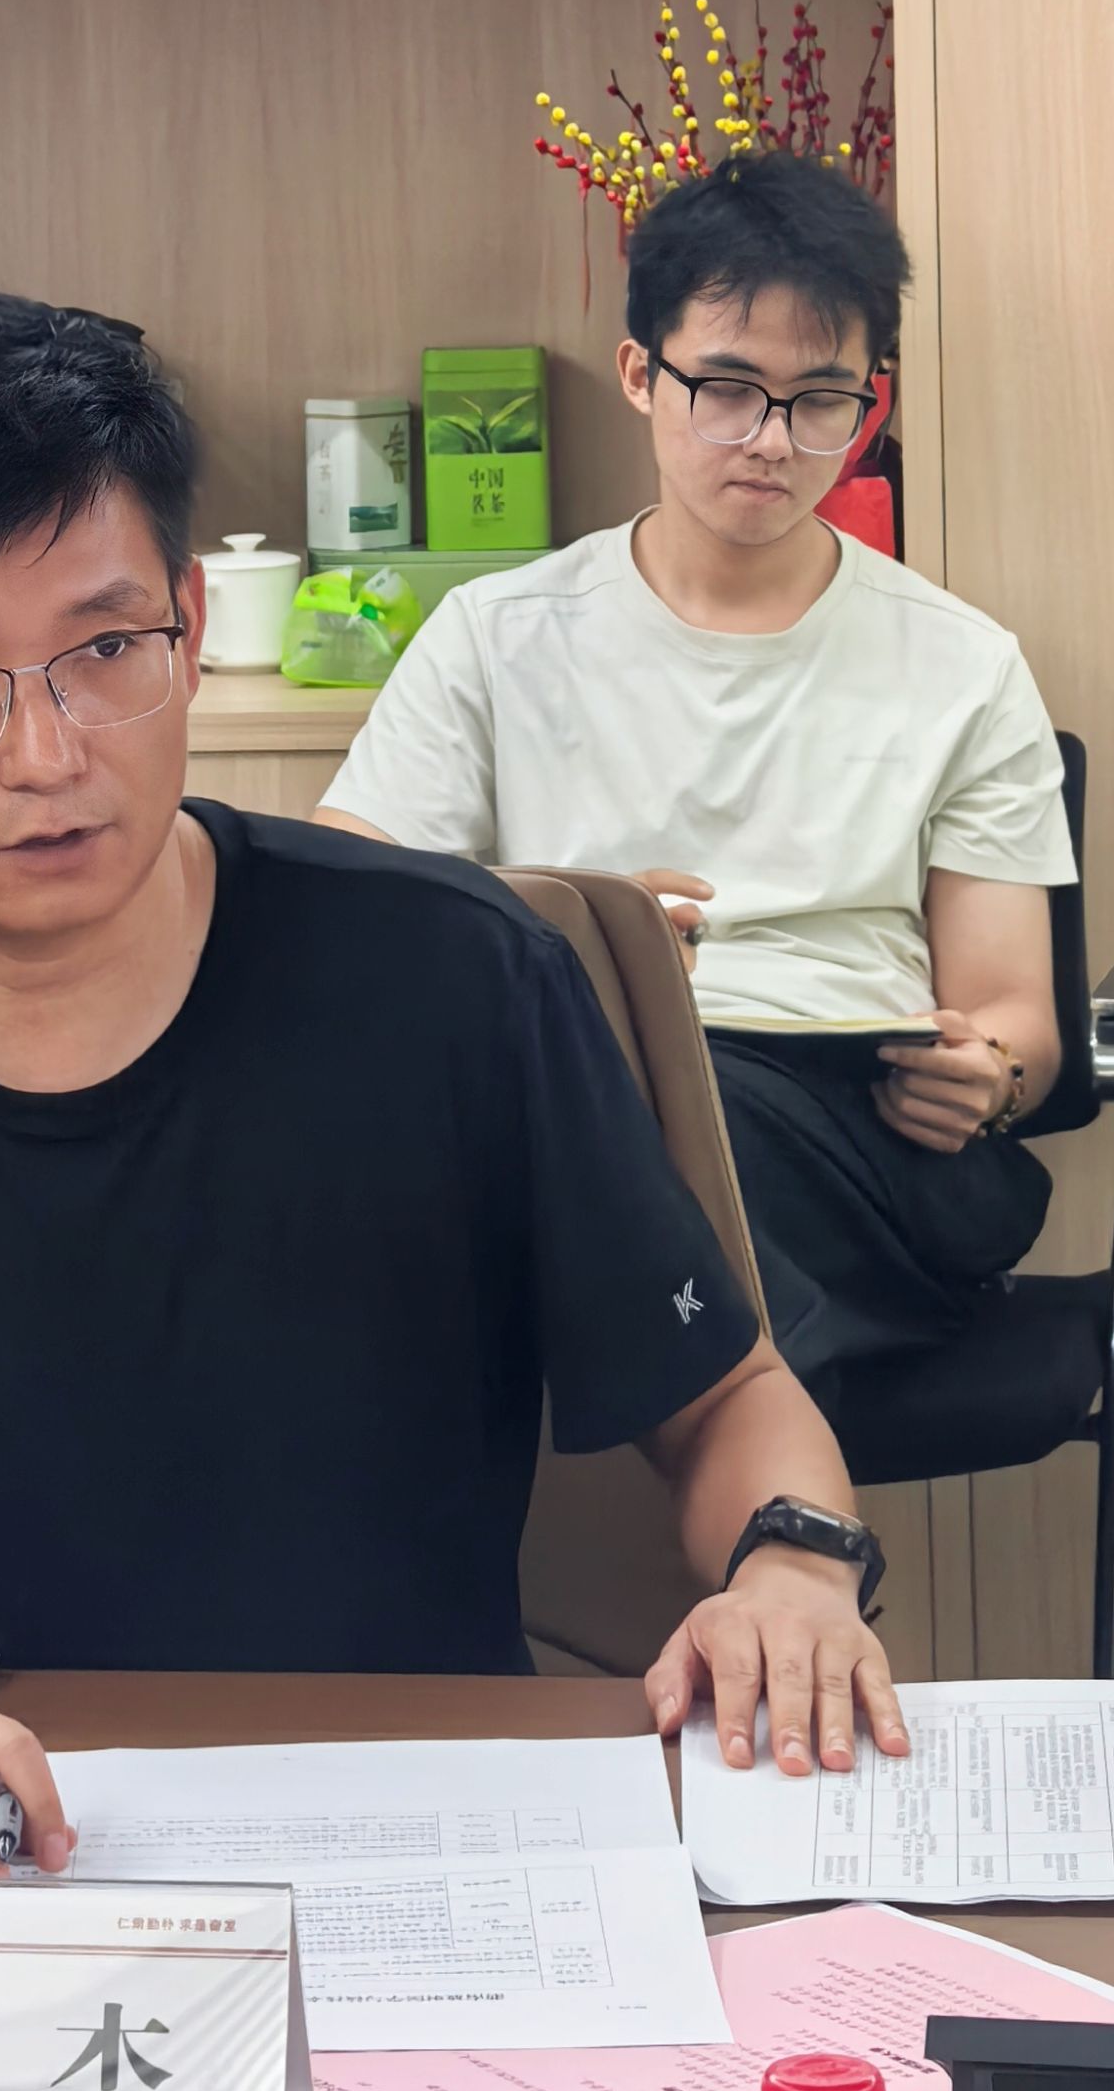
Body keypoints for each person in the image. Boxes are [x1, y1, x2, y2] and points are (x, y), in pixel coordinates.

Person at [0, 289, 908, 1881]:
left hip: (395, 1858)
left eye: (106, 648)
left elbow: (728, 1397)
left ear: (189, 628)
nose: (47, 752)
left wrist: (795, 1570)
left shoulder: (454, 981)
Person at [319, 154, 1072, 1418]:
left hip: (863, 1142)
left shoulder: (961, 663)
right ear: (639, 374)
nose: (769, 441)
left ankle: (656, 1398)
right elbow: (349, 917)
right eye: (725, 390)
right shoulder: (497, 636)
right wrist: (574, 940)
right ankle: (764, 1469)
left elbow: (1015, 1019)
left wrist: (985, 1072)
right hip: (582, 1100)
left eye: (817, 400)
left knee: (629, 1164)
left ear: (869, 405)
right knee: (605, 1112)